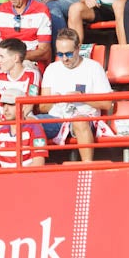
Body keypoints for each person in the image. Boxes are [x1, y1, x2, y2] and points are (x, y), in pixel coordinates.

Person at [39, 29, 113, 162]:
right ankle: (30, 167)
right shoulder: (51, 69)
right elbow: (43, 107)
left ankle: (87, 166)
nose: (65, 59)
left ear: (78, 48)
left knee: (79, 121)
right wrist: (55, 100)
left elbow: (107, 103)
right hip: (56, 119)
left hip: (85, 117)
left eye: (68, 53)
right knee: (27, 122)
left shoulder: (94, 67)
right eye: (60, 54)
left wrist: (82, 97)